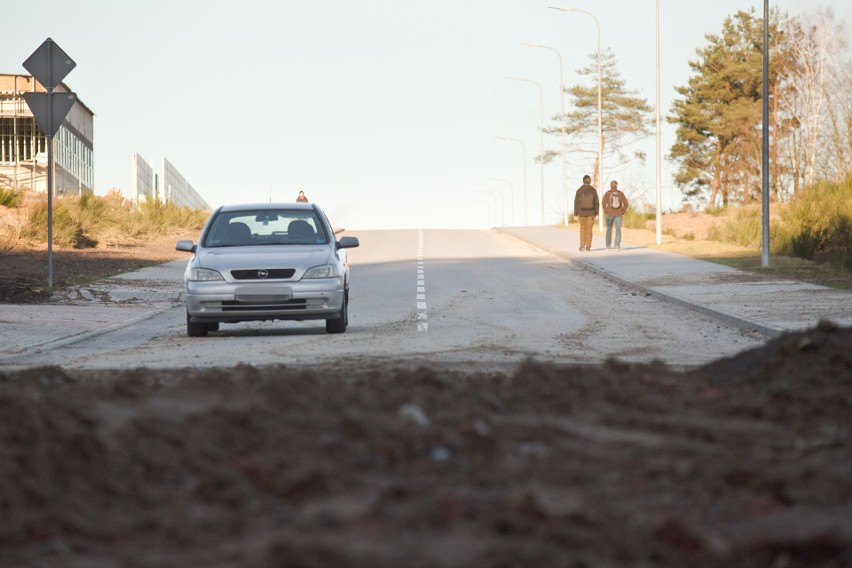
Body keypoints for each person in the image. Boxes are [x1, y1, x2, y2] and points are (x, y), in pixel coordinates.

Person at [573, 174, 599, 251]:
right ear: (590, 181)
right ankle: (588, 247)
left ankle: (582, 246)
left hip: (581, 212)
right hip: (591, 213)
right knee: (589, 229)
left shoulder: (579, 190)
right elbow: (596, 202)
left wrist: (575, 214)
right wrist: (596, 213)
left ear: (583, 181)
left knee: (582, 228)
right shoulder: (593, 190)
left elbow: (576, 202)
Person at [602, 180, 629, 250]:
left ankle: (608, 246)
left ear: (610, 185)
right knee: (618, 229)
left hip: (609, 214)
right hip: (618, 213)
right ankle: (617, 246)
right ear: (617, 185)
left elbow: (603, 203)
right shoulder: (620, 193)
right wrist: (622, 210)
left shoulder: (607, 193)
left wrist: (606, 211)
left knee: (609, 229)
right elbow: (626, 203)